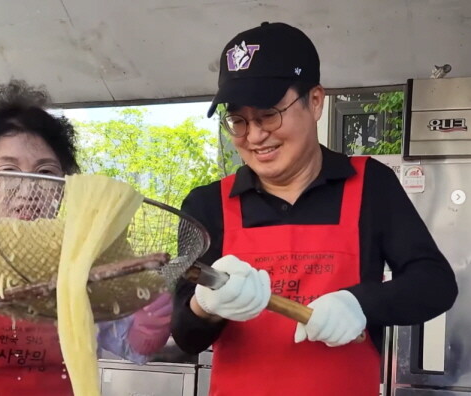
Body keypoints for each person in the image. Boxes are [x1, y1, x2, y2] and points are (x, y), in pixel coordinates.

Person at [171, 22, 458, 395]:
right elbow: (185, 335)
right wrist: (203, 307)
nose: (255, 136)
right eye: (238, 121)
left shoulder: (372, 185)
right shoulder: (208, 204)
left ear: (316, 101)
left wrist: (359, 303)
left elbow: (435, 283)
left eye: (269, 114)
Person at [0, 80, 171, 396]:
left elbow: (134, 346)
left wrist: (151, 316)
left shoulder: (87, 256)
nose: (28, 191)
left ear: (65, 187)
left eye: (45, 173)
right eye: (8, 172)